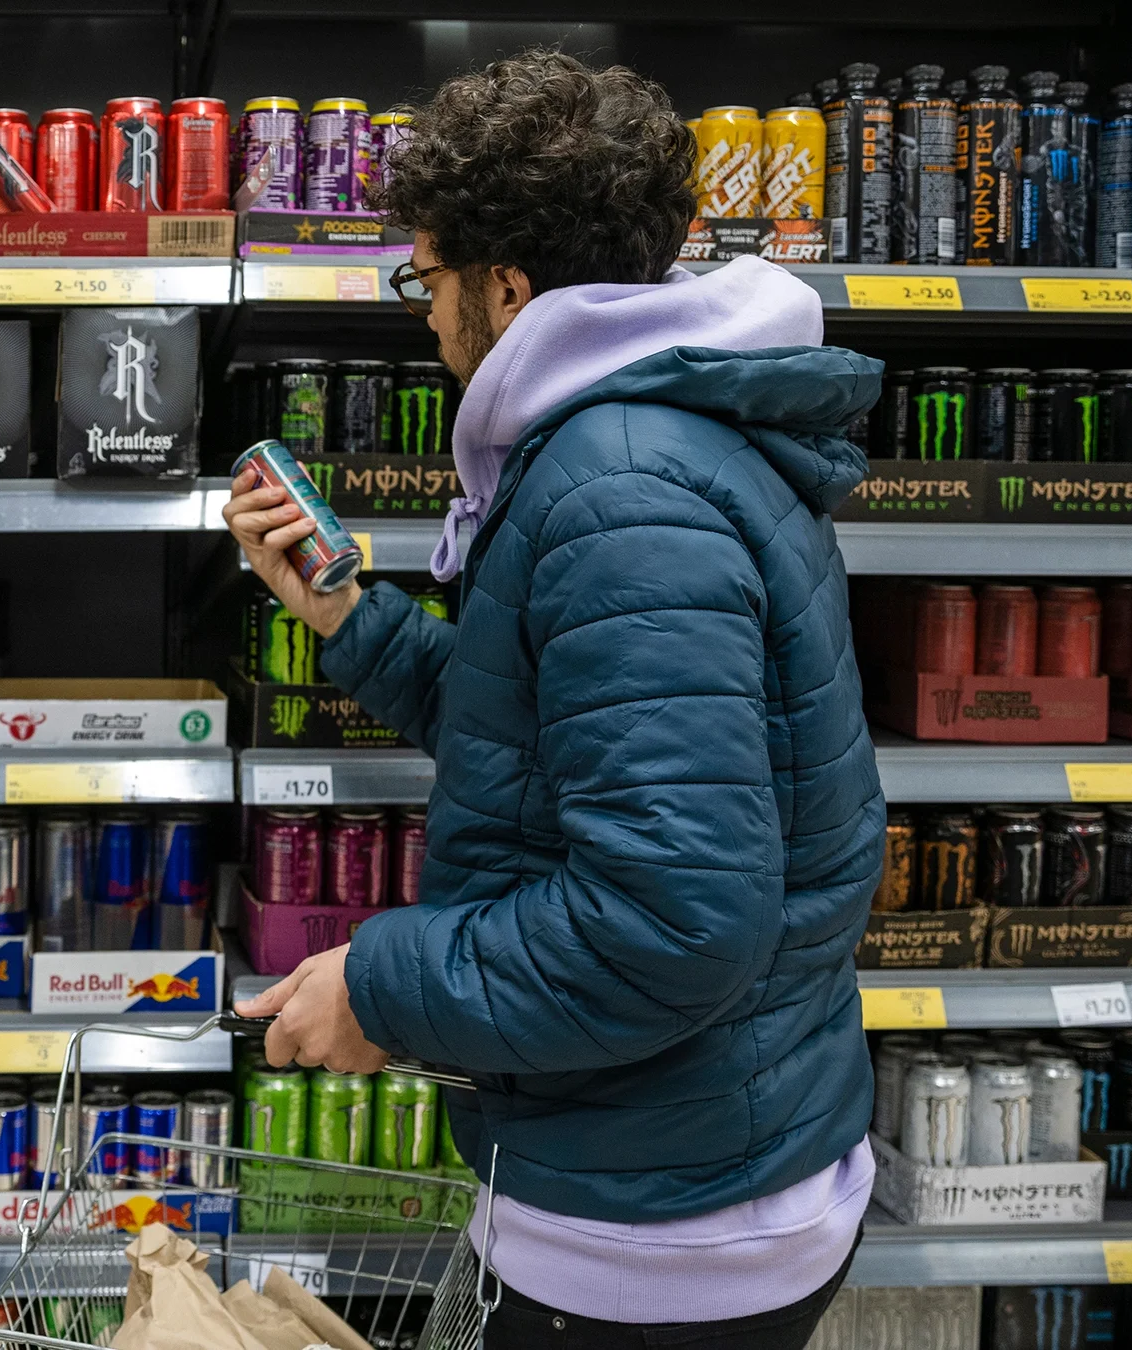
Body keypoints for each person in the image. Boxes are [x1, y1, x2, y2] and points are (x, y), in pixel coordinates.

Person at [226, 51, 886, 1350]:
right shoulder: (640, 444)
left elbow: (671, 917)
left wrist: (381, 983)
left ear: (507, 286)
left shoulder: (619, 490)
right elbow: (546, 737)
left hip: (660, 1230)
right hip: (669, 1158)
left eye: (428, 277)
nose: (425, 316)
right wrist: (352, 622)